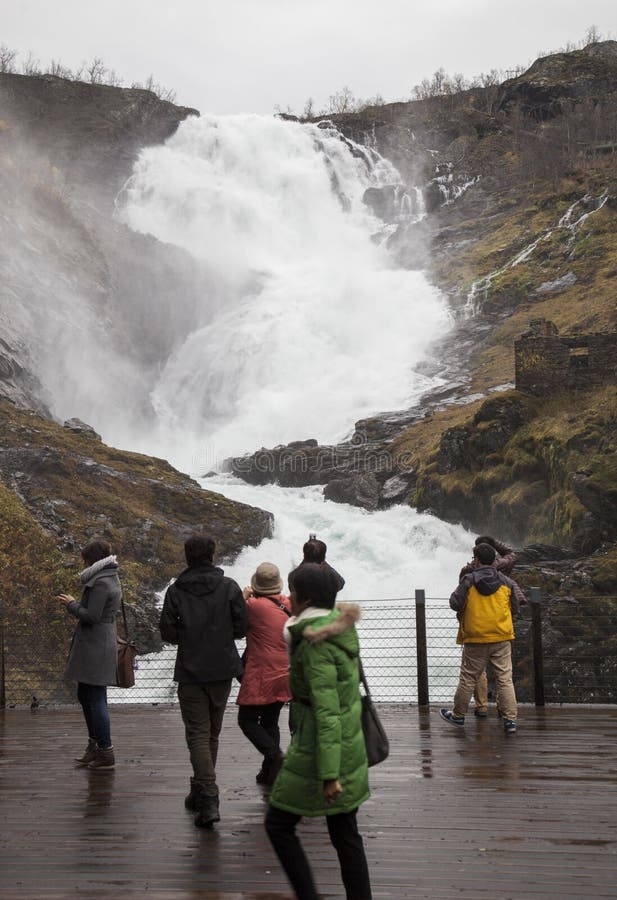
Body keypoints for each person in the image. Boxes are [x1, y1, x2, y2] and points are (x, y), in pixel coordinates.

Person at [265, 564, 372, 900]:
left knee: (278, 826)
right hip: (347, 746)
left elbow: (326, 712)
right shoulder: (337, 629)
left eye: (292, 591)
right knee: (345, 833)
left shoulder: (314, 645)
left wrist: (329, 775)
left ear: (305, 598)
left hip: (320, 751)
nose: (288, 597)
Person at [159, 534, 246, 828]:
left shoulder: (175, 591)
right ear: (212, 555)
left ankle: (207, 796)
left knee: (197, 733)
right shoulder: (229, 587)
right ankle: (200, 790)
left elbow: (168, 634)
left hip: (191, 669)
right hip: (222, 668)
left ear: (187, 557)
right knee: (211, 734)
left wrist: (189, 635)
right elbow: (241, 628)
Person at [440, 542, 525, 734]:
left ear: (476, 560)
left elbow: (454, 603)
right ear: (494, 559)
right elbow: (515, 608)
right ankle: (510, 720)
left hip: (475, 637)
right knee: (505, 679)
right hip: (501, 636)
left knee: (468, 678)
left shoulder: (469, 580)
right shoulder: (506, 581)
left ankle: (458, 716)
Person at [57, 539, 122, 771]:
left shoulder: (101, 583)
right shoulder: (108, 577)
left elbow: (92, 616)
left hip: (96, 645)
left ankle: (105, 750)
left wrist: (72, 604)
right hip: (97, 644)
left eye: (84, 559)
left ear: (92, 560)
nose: (82, 563)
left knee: (95, 698)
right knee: (87, 695)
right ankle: (95, 747)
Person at [237, 562, 292, 786]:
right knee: (270, 720)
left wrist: (243, 595)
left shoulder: (252, 605)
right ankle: (270, 771)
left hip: (263, 672)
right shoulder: (287, 603)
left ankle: (275, 755)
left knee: (247, 719)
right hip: (286, 670)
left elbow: (236, 619)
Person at [458, 535, 519, 718]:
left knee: (472, 674)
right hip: (500, 623)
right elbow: (511, 554)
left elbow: (457, 600)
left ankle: (480, 706)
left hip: (476, 626)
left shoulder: (468, 572)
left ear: (476, 557)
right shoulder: (502, 568)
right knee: (504, 676)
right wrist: (492, 543)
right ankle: (507, 714)